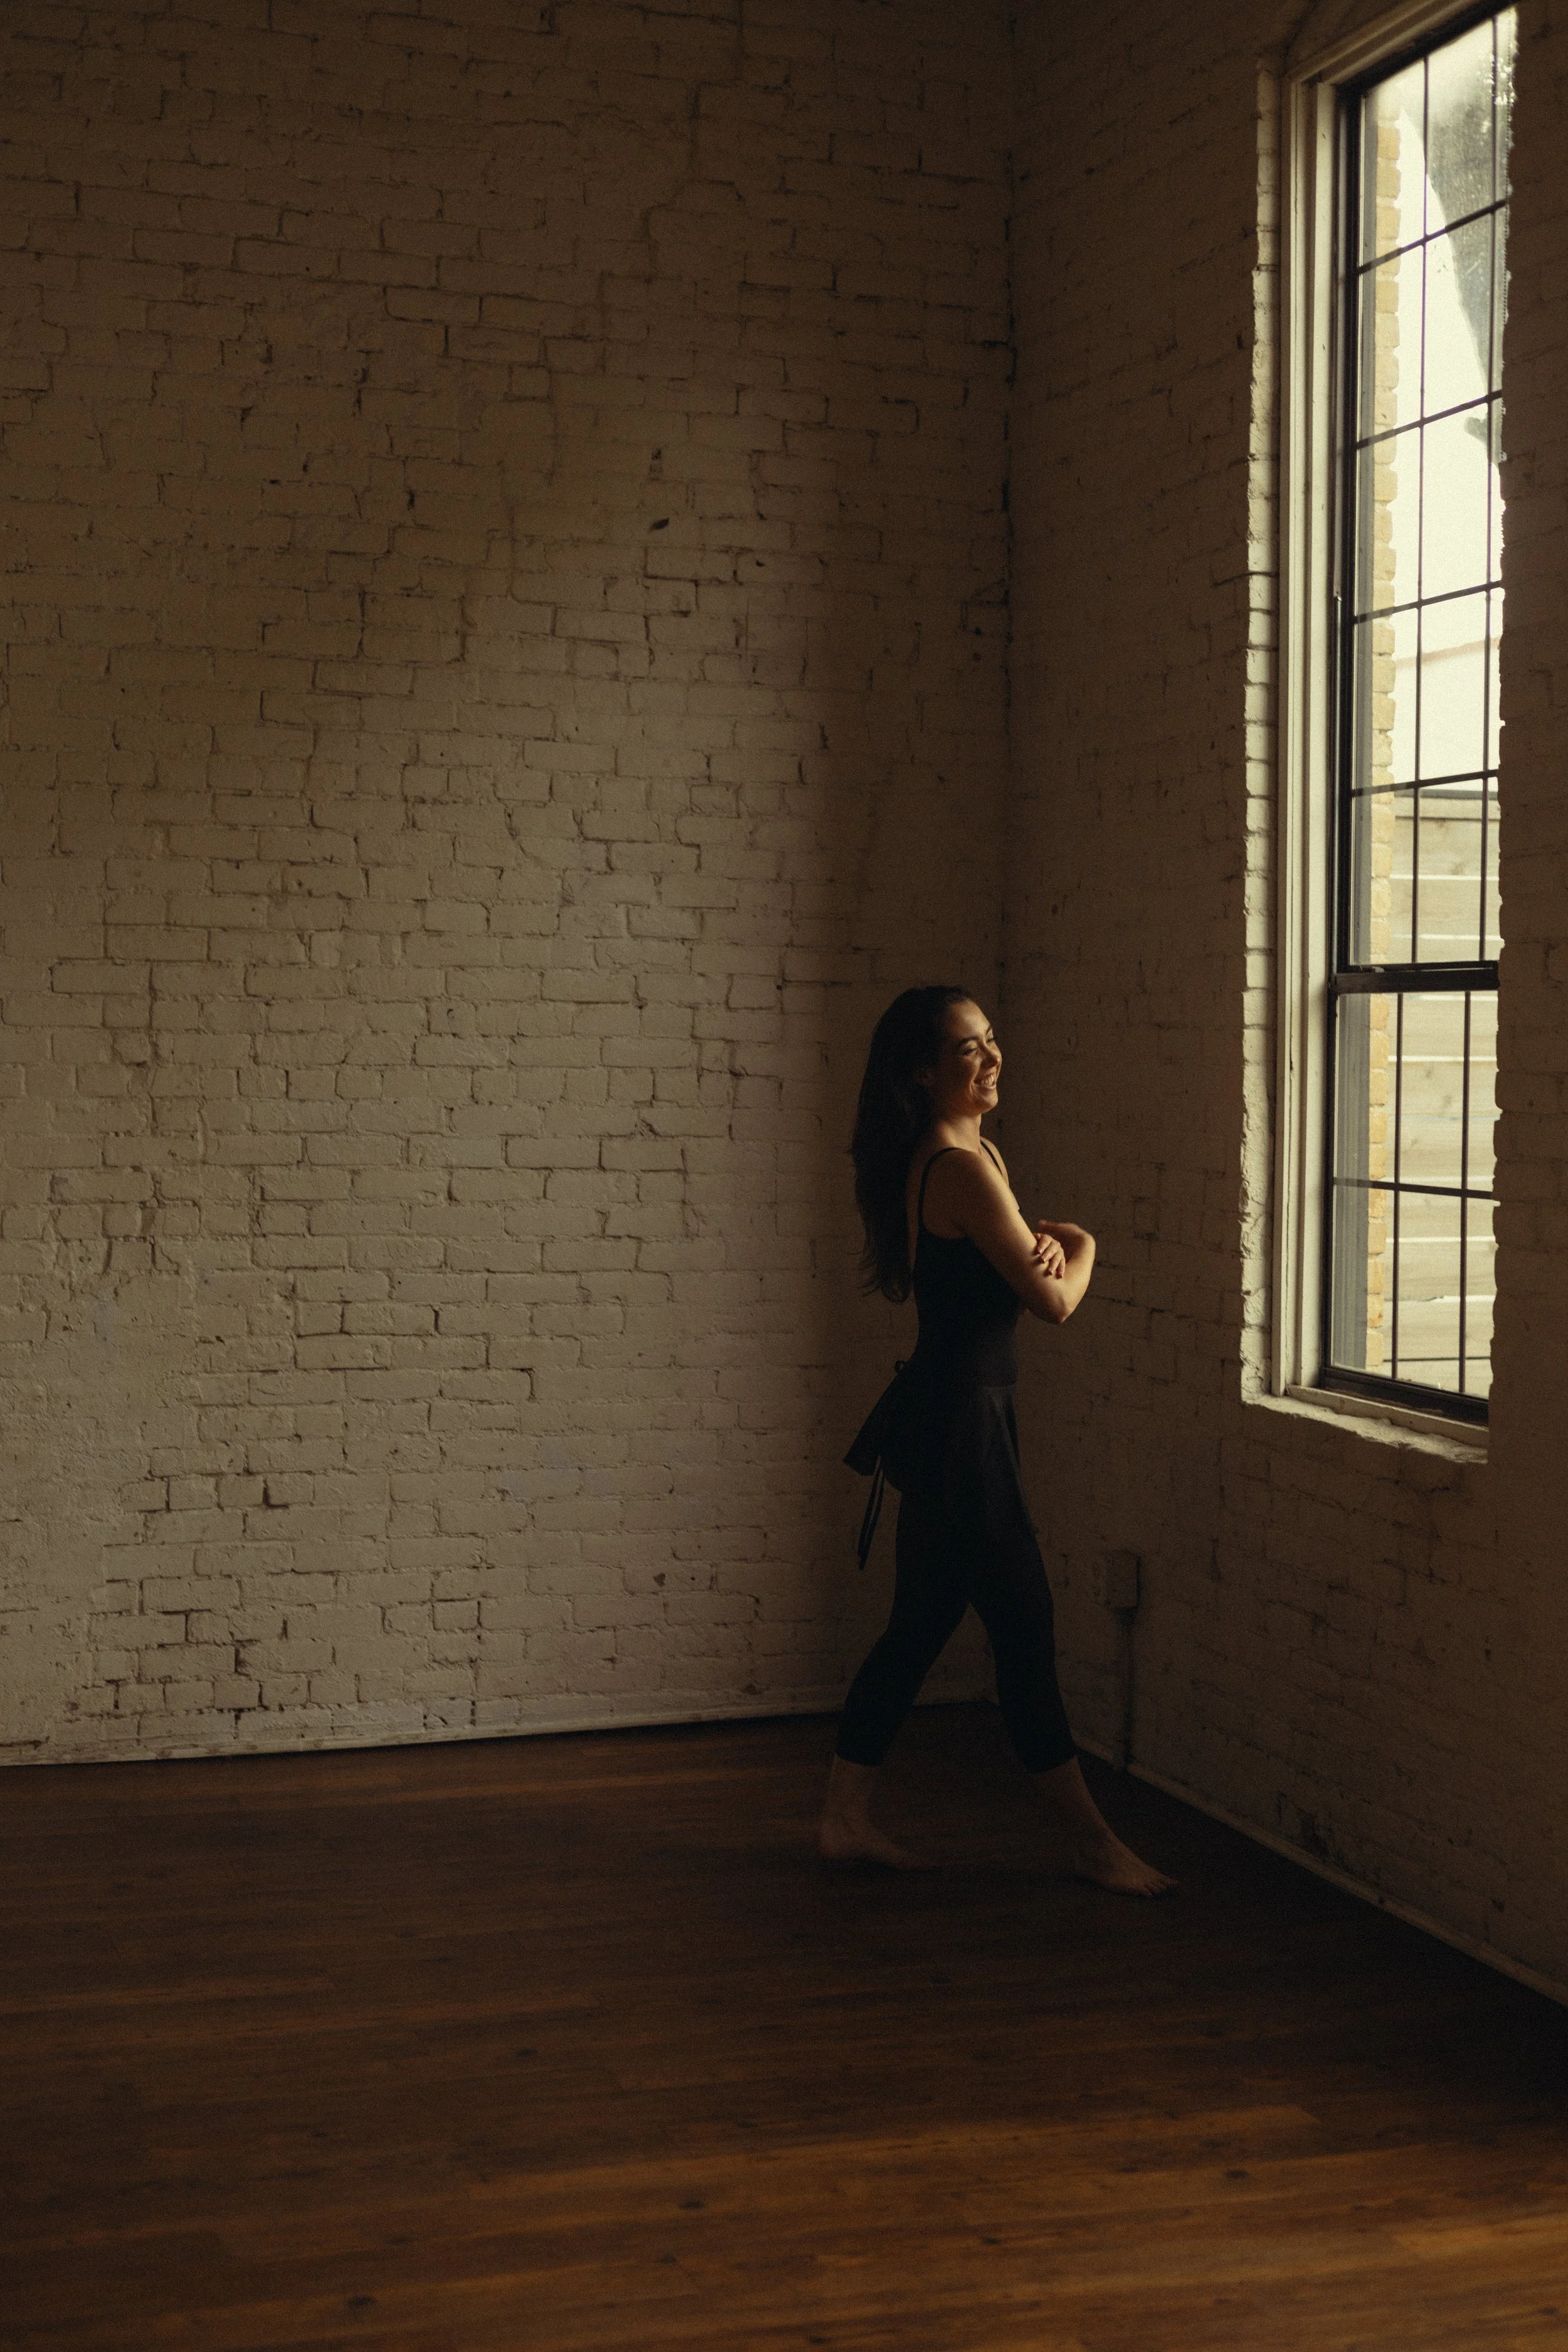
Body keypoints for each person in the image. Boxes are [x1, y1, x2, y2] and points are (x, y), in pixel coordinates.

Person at [819, 984, 1173, 1895]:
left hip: (962, 1416)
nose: (993, 1058)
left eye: (992, 1040)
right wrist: (1084, 1240)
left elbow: (1021, 1270)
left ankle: (844, 1818)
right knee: (1025, 1624)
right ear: (925, 1072)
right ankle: (1094, 1845)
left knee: (919, 1624)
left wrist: (1042, 1244)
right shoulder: (960, 1169)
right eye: (969, 1049)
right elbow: (1054, 1299)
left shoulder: (976, 1154)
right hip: (960, 1426)